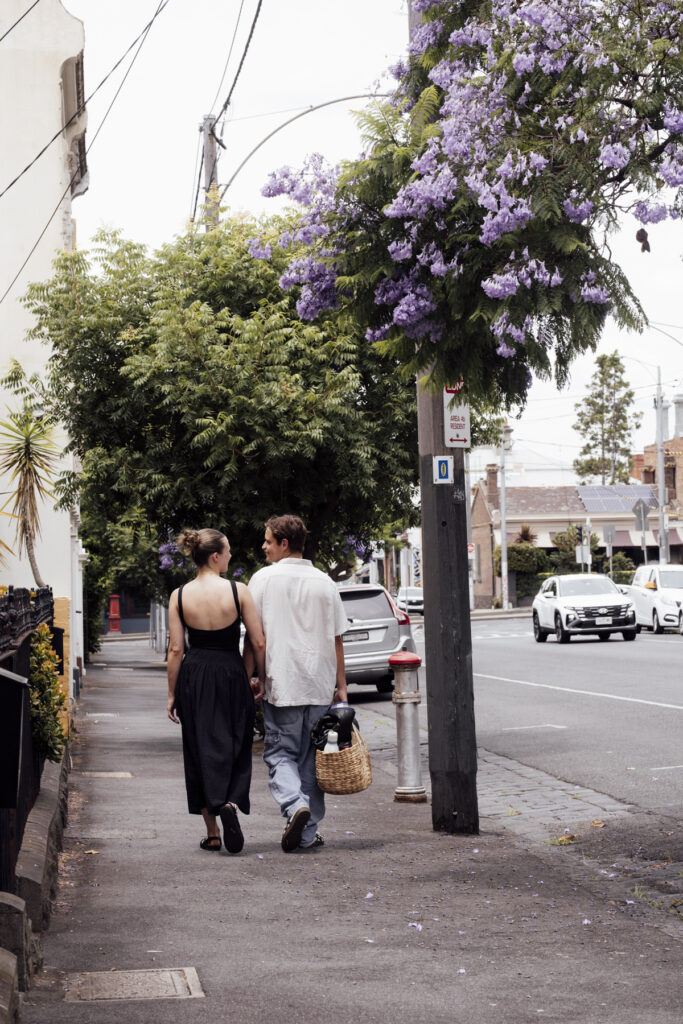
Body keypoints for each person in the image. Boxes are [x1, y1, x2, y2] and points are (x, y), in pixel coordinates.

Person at [246, 515, 349, 852]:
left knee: (280, 754)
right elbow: (337, 639)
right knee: (311, 759)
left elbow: (254, 638)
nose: (263, 546)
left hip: (283, 682)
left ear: (284, 543)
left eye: (268, 540)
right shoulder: (325, 582)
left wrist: (254, 676)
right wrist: (342, 686)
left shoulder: (262, 580)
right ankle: (306, 834)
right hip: (318, 684)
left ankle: (293, 805)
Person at [167, 528, 266, 854]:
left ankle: (212, 834)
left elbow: (176, 650)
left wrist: (172, 693)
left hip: (195, 676)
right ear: (215, 556)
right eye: (227, 551)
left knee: (199, 748)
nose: (230, 556)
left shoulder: (179, 596)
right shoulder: (239, 591)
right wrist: (259, 677)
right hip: (230, 673)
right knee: (237, 741)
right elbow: (258, 641)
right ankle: (232, 804)